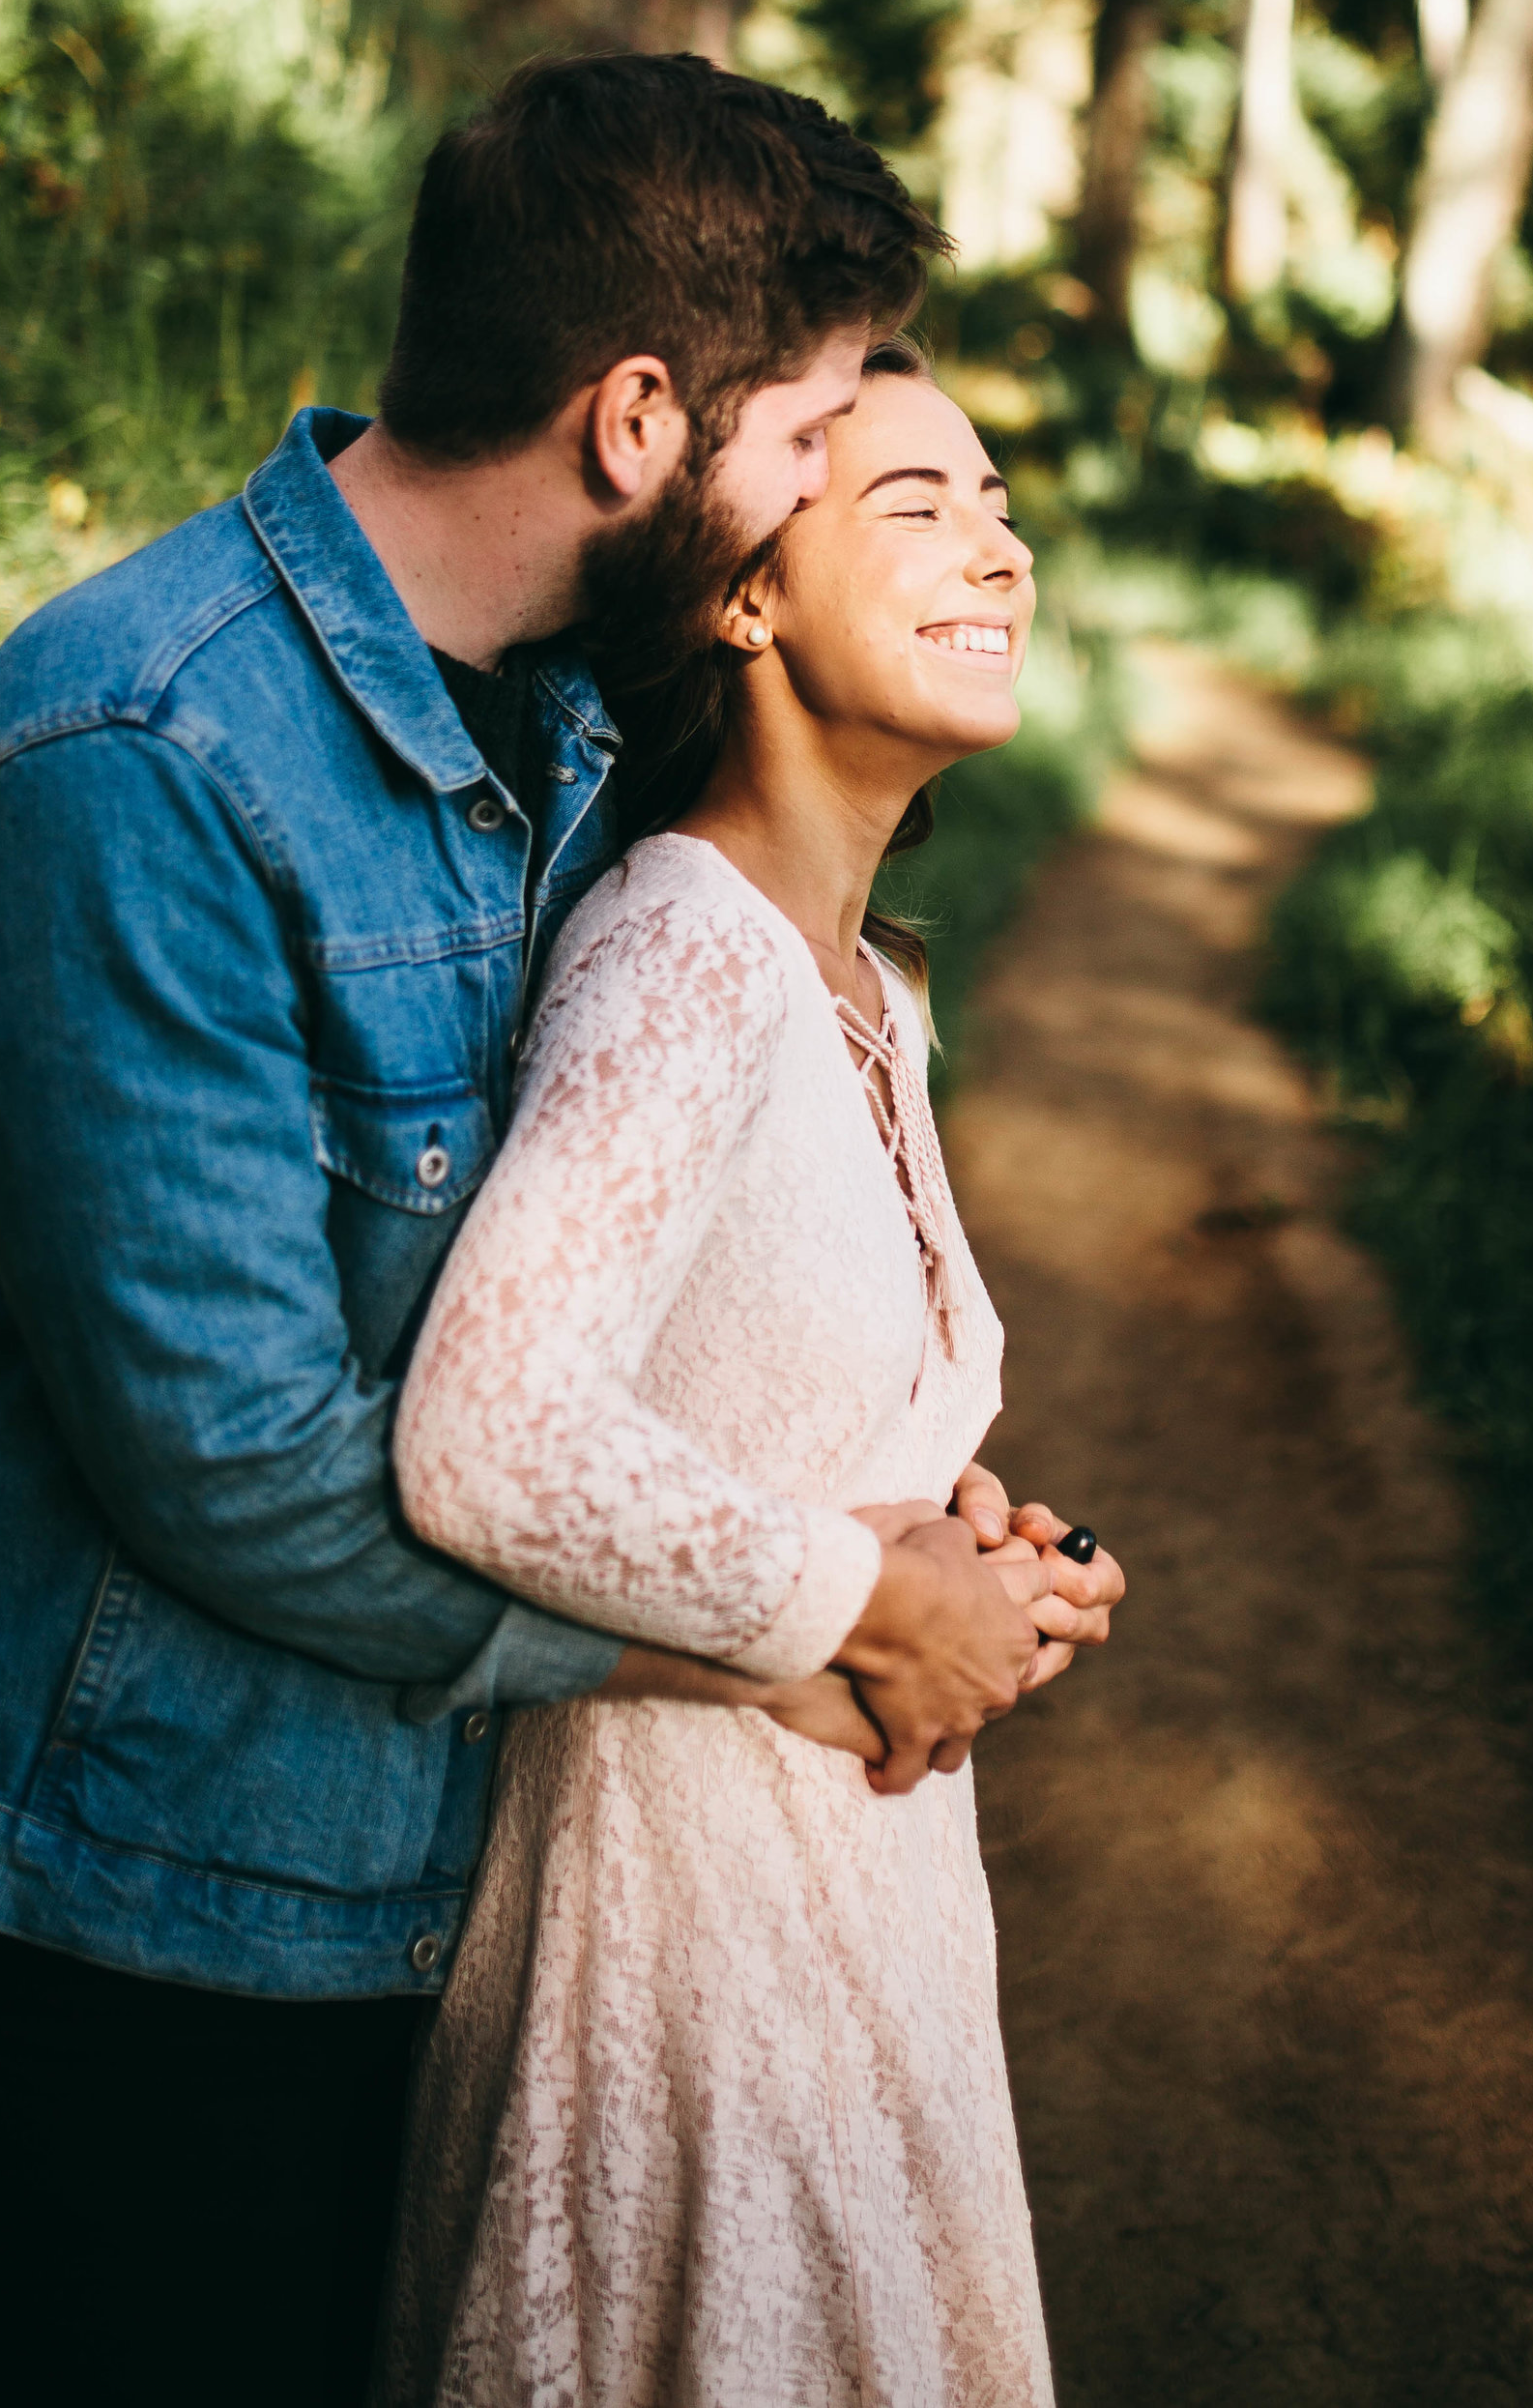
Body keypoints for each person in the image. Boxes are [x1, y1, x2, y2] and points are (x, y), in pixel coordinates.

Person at [0, 57, 1106, 2408]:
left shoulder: (545, 738)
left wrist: (899, 1538)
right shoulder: (138, 761)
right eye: (809, 438)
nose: (841, 494)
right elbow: (240, 1463)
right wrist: (805, 1641)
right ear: (635, 425)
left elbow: (634, 1298)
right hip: (137, 1904)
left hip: (419, 1874)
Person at [376, 342, 1118, 2408]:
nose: (997, 547)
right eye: (914, 504)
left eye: (997, 502)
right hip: (676, 1922)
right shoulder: (681, 944)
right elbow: (486, 1427)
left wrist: (980, 1559)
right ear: (742, 596)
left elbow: (773, 1413)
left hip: (864, 1892)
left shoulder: (869, 990)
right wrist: (867, 1600)